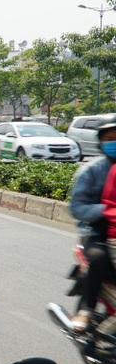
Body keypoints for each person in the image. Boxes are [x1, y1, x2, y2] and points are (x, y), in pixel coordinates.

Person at [69, 114, 116, 331]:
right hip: (96, 234)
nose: (114, 143)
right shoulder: (91, 170)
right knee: (98, 259)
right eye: (110, 139)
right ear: (100, 142)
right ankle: (87, 309)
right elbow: (77, 208)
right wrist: (106, 211)